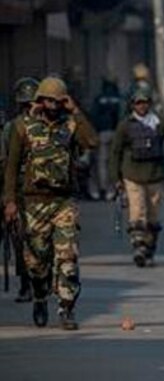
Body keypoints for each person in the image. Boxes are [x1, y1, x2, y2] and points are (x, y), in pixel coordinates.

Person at [2, 77, 98, 329]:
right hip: (33, 203)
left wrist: (76, 111)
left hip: (63, 201)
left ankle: (66, 308)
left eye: (58, 101)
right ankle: (40, 295)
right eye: (48, 100)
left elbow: (92, 142)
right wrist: (10, 201)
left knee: (68, 257)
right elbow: (11, 166)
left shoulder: (71, 125)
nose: (53, 106)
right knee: (36, 261)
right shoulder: (23, 127)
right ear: (40, 100)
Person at [109, 88, 164, 267]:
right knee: (138, 211)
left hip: (155, 175)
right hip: (132, 174)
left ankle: (150, 249)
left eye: (144, 102)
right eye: (138, 103)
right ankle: (139, 247)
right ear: (132, 105)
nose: (141, 106)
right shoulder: (125, 125)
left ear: (150, 104)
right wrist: (115, 178)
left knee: (153, 215)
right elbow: (115, 152)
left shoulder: (160, 122)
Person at [0, 77, 39, 303]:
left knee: (40, 239)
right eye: (26, 105)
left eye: (31, 103)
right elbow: (7, 164)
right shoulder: (11, 128)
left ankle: (38, 282)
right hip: (19, 189)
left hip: (43, 191)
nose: (29, 109)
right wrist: (8, 198)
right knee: (20, 239)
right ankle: (26, 284)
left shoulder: (49, 125)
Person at [89, 78, 123, 200]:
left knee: (102, 161)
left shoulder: (99, 99)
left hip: (102, 132)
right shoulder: (118, 98)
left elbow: (93, 115)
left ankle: (102, 188)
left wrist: (96, 131)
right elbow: (122, 115)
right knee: (114, 161)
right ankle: (112, 189)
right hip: (116, 133)